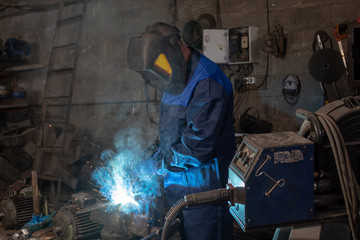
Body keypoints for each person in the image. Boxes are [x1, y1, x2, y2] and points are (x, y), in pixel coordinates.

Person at [127, 22, 236, 240]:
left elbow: (198, 145)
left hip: (205, 193)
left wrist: (158, 166)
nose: (159, 71)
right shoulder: (173, 77)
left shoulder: (206, 80)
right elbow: (172, 135)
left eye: (160, 63)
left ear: (174, 47)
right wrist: (155, 160)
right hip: (179, 190)